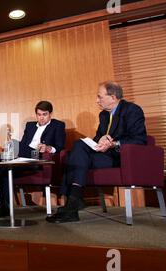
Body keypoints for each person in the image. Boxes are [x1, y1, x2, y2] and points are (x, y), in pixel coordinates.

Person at [46, 81, 147, 223]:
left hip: (120, 156)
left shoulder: (132, 110)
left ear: (113, 97)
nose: (96, 100)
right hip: (102, 155)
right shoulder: (104, 116)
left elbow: (140, 140)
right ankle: (73, 204)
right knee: (77, 147)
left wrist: (114, 144)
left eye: (99, 97)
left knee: (73, 157)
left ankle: (71, 205)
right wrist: (101, 140)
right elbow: (98, 137)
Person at [0, 101, 66, 218]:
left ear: (50, 114)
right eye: (39, 114)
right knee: (5, 171)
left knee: (6, 160)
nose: (41, 118)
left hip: (38, 159)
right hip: (23, 158)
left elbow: (60, 146)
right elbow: (23, 145)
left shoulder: (58, 125)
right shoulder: (30, 126)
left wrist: (48, 148)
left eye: (44, 114)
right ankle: (4, 207)